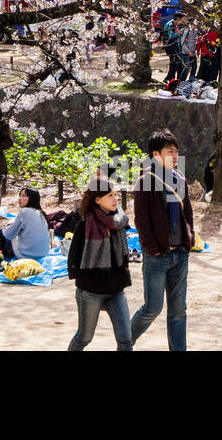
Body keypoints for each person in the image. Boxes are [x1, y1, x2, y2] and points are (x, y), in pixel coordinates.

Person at [130, 129, 195, 351]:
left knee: (179, 310)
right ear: (156, 154)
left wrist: (189, 239)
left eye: (176, 151)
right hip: (158, 256)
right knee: (152, 308)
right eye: (170, 151)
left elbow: (188, 213)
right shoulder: (145, 181)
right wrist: (153, 248)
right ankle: (125, 342)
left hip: (180, 253)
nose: (175, 156)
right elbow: (142, 220)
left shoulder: (180, 178)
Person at [66, 174, 133, 351]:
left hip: (116, 289)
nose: (115, 198)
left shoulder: (119, 222)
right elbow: (73, 259)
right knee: (84, 338)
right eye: (110, 195)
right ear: (97, 199)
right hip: (91, 291)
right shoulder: (84, 225)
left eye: (115, 194)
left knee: (126, 339)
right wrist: (87, 280)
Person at [0, 188, 51, 260]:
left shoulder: (25, 211)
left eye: (24, 196)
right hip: (44, 253)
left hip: (27, 255)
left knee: (4, 232)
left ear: (32, 198)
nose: (20, 199)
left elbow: (9, 234)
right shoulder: (41, 213)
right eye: (20, 196)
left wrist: (4, 229)